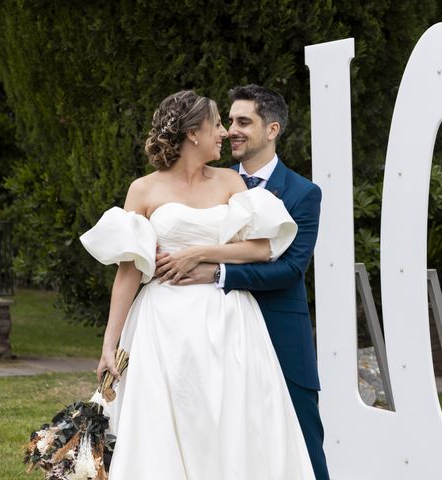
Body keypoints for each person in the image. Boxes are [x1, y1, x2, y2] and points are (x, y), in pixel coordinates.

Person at [80, 90, 315, 479]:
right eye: (218, 124)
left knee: (230, 422)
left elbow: (260, 249)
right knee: (164, 424)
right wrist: (110, 344)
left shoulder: (230, 182)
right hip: (162, 325)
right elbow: (128, 272)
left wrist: (200, 253)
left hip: (228, 321)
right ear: (193, 133)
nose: (224, 133)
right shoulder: (144, 189)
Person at [156, 85, 330, 479]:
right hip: (216, 338)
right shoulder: (212, 182)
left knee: (301, 445)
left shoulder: (304, 194)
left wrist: (217, 272)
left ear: (272, 130)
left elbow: (289, 268)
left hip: (279, 331)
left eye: (243, 122)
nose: (231, 130)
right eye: (229, 121)